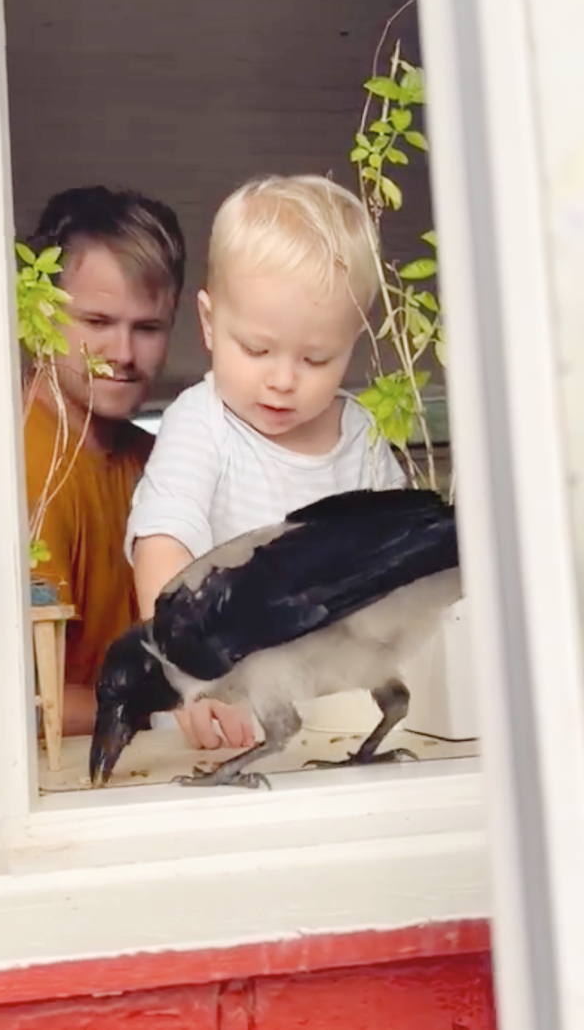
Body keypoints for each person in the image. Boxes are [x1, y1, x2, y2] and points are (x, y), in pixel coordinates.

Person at [126, 174, 405, 749]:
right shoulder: (202, 423)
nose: (282, 380)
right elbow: (163, 542)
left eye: (316, 357)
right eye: (256, 350)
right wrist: (189, 684)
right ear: (207, 323)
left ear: (354, 342)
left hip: (340, 718)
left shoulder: (361, 435)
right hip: (220, 717)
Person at [24, 185, 186, 736]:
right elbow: (18, 704)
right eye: (96, 322)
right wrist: (174, 713)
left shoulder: (163, 462)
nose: (122, 353)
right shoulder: (14, 461)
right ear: (40, 315)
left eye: (147, 328)